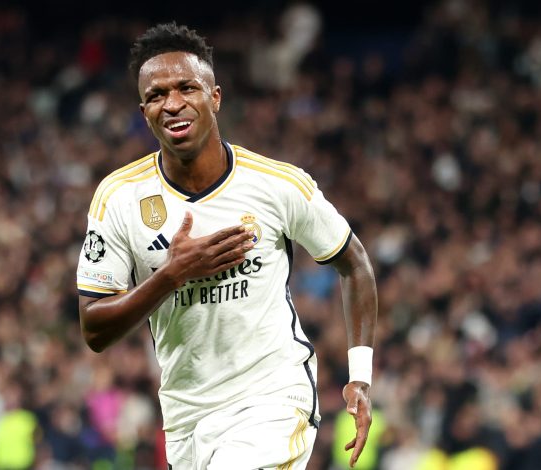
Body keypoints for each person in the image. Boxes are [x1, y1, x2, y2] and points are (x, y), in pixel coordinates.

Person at [76, 22, 377, 469]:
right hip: (185, 418)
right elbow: (94, 328)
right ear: (144, 112)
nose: (172, 103)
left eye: (187, 88)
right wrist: (172, 274)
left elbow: (355, 264)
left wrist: (360, 378)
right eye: (157, 95)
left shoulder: (277, 184)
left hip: (273, 399)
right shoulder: (119, 198)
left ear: (215, 97)